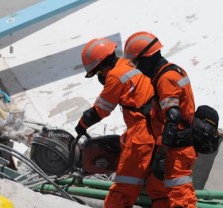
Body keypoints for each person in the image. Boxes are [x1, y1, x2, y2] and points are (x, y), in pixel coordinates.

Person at [75, 37, 167, 207]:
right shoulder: (131, 64)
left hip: (140, 137)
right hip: (160, 131)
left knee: (122, 190)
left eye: (98, 72)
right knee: (159, 191)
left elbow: (100, 110)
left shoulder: (116, 77)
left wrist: (81, 125)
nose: (100, 76)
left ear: (103, 65)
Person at [124, 31, 198, 207]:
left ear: (146, 58)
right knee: (157, 189)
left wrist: (162, 154)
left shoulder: (166, 78)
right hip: (175, 145)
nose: (138, 68)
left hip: (176, 149)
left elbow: (173, 117)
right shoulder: (173, 71)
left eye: (137, 62)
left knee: (181, 197)